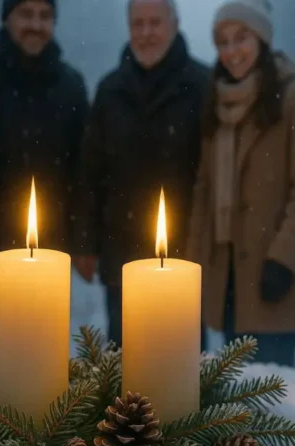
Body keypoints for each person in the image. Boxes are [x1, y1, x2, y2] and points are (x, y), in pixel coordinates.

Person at [186, 0, 295, 367]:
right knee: (237, 397)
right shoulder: (215, 103)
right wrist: (190, 266)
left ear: (262, 38)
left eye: (241, 38)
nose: (232, 52)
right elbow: (204, 191)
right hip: (227, 280)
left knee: (273, 400)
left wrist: (283, 259)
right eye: (223, 42)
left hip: (273, 276)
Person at [72, 0, 210, 350]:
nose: (146, 33)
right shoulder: (110, 90)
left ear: (175, 24)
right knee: (126, 362)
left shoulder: (202, 86)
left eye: (155, 23)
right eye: (138, 24)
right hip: (122, 251)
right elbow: (90, 172)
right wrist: (85, 242)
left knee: (182, 363)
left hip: (184, 254)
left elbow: (215, 173)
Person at [0, 0, 88, 343]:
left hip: (50, 248)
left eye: (44, 16)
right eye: (26, 14)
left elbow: (85, 170)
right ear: (6, 19)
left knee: (43, 353)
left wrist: (82, 238)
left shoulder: (70, 84)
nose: (35, 25)